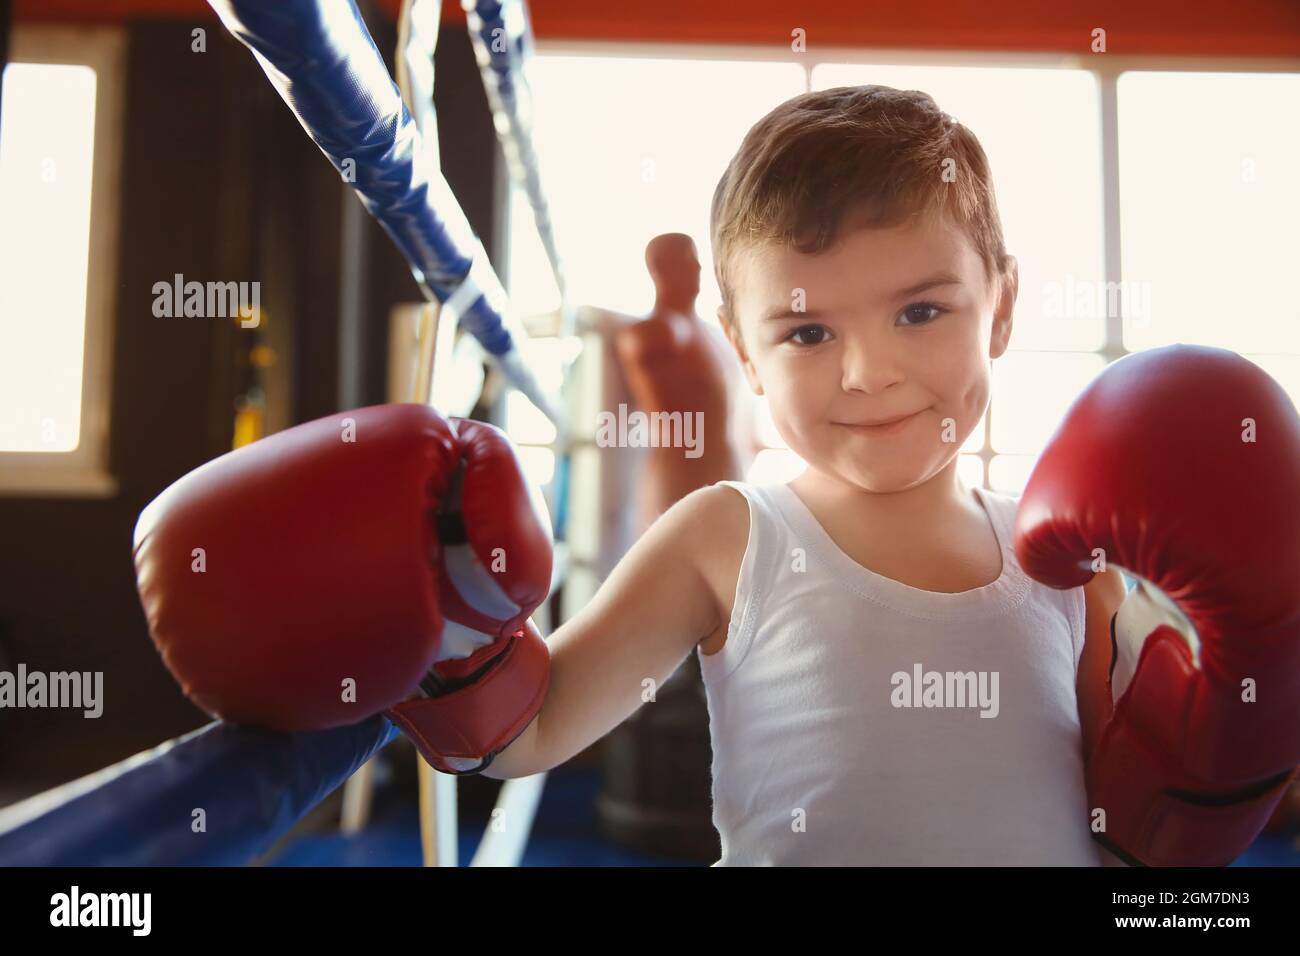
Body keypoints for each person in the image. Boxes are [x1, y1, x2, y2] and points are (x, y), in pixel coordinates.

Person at [484, 85, 1127, 865]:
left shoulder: (1068, 565)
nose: (868, 373)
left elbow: (1138, 816)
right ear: (745, 352)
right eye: (809, 331)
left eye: (921, 312)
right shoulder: (726, 539)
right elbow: (536, 726)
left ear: (1001, 306)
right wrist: (442, 638)